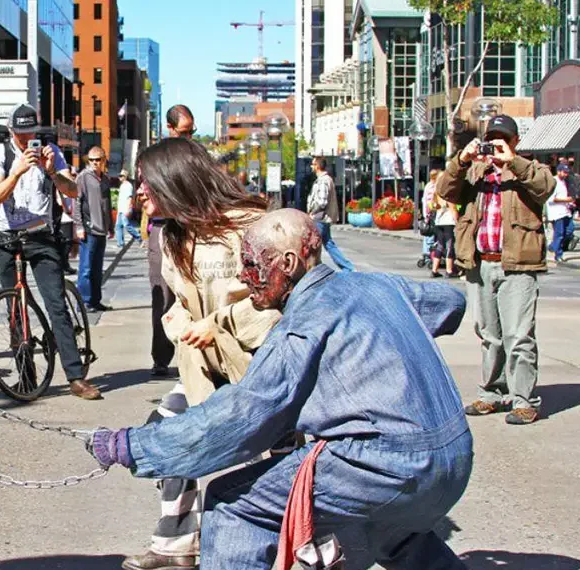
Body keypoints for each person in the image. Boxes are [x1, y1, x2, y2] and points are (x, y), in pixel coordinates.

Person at [89, 208, 473, 570]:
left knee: (232, 503)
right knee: (385, 524)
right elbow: (450, 301)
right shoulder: (375, 285)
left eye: (253, 264)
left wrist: (133, 446)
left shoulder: (300, 324)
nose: (242, 276)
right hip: (453, 458)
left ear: (288, 264)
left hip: (383, 464)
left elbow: (244, 418)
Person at [122, 138, 282, 570]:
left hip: (265, 370)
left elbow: (274, 300)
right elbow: (183, 302)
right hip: (205, 370)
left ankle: (310, 545)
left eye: (146, 183)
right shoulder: (173, 236)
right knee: (170, 434)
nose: (139, 192)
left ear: (174, 182)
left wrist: (214, 326)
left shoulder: (250, 225)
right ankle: (175, 546)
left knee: (285, 459)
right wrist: (176, 320)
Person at [436, 113, 555, 425]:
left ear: (515, 142)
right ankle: (492, 392)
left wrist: (512, 162)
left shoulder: (529, 170)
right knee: (490, 336)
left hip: (517, 266)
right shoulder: (474, 172)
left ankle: (524, 400)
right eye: (492, 139)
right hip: (480, 264)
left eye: (504, 139)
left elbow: (546, 187)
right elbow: (445, 190)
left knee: (520, 335)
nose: (496, 145)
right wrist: (461, 159)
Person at [0, 104, 99, 400]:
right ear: (11, 131)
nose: (27, 140)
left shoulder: (51, 152)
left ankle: (75, 376)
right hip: (8, 238)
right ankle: (27, 376)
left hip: (41, 237)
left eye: (31, 133)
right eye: (21, 135)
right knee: (15, 309)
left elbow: (73, 191)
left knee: (55, 303)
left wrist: (51, 173)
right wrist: (18, 170)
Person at [146, 105, 199, 379]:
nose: (189, 136)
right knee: (163, 296)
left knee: (196, 293)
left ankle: (197, 356)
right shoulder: (155, 159)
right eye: (184, 131)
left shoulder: (196, 156)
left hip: (191, 227)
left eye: (192, 131)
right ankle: (162, 358)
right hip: (163, 228)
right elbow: (146, 201)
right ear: (170, 129)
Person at [76, 146, 112, 312]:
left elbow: (107, 203)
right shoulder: (83, 177)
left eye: (98, 159)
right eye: (91, 160)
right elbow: (77, 202)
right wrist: (79, 226)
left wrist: (110, 226)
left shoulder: (104, 179)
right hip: (89, 229)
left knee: (97, 268)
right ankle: (84, 302)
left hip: (101, 230)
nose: (95, 163)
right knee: (86, 268)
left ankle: (95, 300)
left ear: (103, 160)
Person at [306, 156, 354, 271]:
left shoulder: (323, 181)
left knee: (311, 245)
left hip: (319, 218)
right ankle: (347, 268)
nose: (311, 167)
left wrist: (312, 211)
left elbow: (322, 202)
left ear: (317, 166)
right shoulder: (325, 179)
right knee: (328, 244)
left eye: (313, 164)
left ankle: (312, 270)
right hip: (323, 218)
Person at [547, 165, 575, 263]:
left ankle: (553, 246)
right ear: (558, 171)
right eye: (564, 172)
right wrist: (566, 199)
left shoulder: (564, 182)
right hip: (557, 212)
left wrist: (570, 202)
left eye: (567, 172)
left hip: (566, 211)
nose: (566, 174)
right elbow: (551, 199)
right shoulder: (553, 182)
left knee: (570, 230)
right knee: (559, 234)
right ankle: (558, 255)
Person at [431, 192, 458, 278]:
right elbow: (453, 209)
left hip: (439, 222)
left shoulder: (437, 194)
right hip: (448, 222)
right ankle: (449, 270)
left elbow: (434, 206)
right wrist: (457, 221)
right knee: (449, 246)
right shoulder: (448, 195)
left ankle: (434, 270)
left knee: (440, 245)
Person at [115, 169, 142, 248]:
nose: (120, 177)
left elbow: (130, 198)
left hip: (125, 209)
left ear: (125, 177)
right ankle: (120, 243)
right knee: (118, 226)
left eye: (121, 176)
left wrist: (128, 209)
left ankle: (138, 237)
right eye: (119, 176)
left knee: (126, 225)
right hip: (120, 209)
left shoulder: (128, 185)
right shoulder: (122, 185)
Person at [421, 169, 439, 264]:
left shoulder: (428, 185)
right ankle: (429, 254)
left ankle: (426, 253)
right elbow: (430, 202)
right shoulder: (432, 187)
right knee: (430, 234)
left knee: (427, 233)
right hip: (431, 214)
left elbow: (425, 201)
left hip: (428, 214)